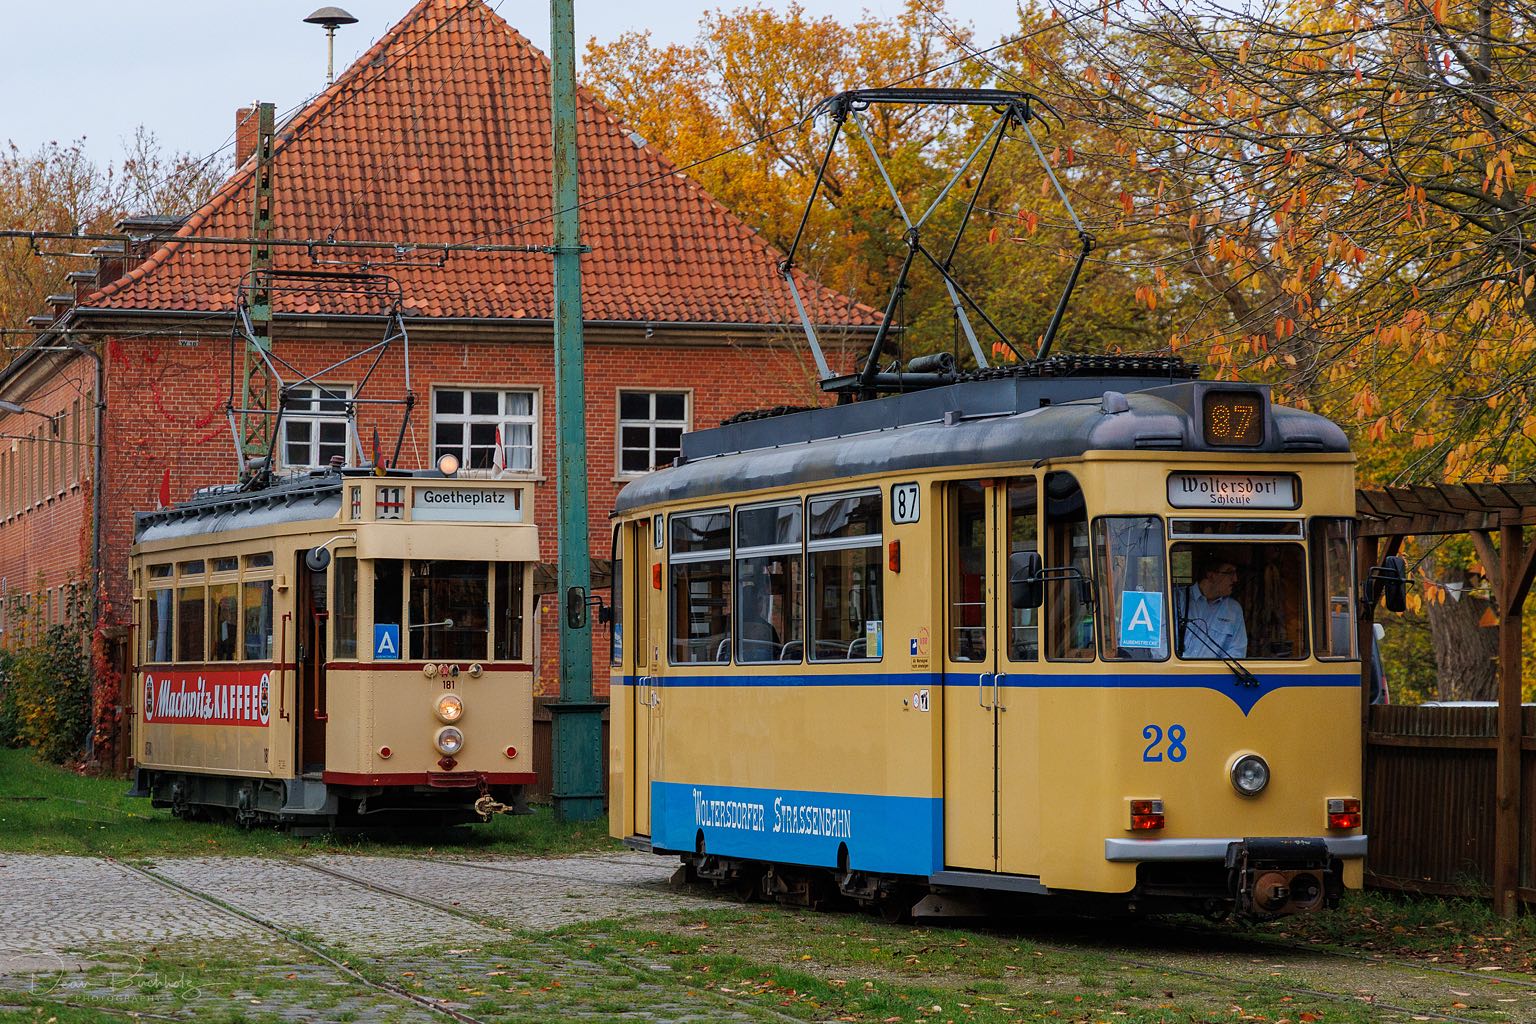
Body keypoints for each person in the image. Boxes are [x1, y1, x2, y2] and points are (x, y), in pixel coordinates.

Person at [1177, 553, 1248, 659]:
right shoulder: (1177, 599)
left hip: (1215, 674)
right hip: (1178, 673)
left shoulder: (1233, 609)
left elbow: (1237, 652)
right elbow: (1162, 645)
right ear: (1211, 576)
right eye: (1229, 572)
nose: (1235, 579)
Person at [738, 583, 780, 661]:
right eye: (760, 600)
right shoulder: (767, 629)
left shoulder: (732, 626)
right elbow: (777, 655)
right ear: (754, 603)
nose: (762, 604)